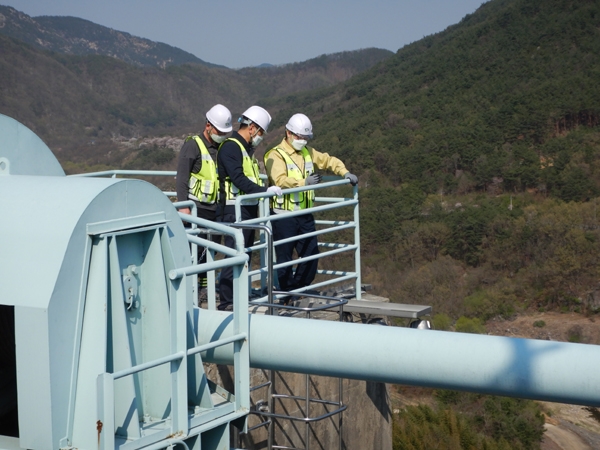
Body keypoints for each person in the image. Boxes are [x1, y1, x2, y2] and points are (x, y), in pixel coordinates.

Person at [264, 113, 358, 294]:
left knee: (311, 254)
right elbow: (279, 179)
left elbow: (328, 160)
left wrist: (344, 172)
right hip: (283, 215)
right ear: (288, 133)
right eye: (300, 137)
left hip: (304, 214)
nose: (303, 141)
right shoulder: (275, 155)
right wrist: (303, 183)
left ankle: (298, 289)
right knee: (284, 259)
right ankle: (286, 294)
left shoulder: (308, 152)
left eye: (305, 137)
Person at [217, 105, 282, 311]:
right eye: (261, 132)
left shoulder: (246, 149)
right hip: (234, 210)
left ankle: (239, 296)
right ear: (252, 127)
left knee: (245, 255)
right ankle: (227, 301)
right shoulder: (231, 147)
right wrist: (264, 190)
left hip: (248, 208)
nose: (260, 136)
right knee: (233, 255)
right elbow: (238, 178)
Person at [176, 104, 232, 295]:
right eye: (219, 131)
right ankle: (192, 292)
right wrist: (183, 206)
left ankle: (202, 288)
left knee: (210, 251)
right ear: (208, 125)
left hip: (215, 208)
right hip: (197, 208)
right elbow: (182, 177)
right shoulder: (193, 145)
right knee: (196, 252)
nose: (222, 135)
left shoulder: (221, 147)